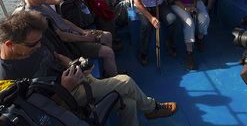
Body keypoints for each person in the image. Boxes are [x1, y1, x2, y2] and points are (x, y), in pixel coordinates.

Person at [0, 11, 177, 126]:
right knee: (126, 82)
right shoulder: (8, 78)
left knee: (128, 104)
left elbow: (57, 57)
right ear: (10, 44)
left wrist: (71, 65)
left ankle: (147, 109)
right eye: (34, 44)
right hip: (64, 97)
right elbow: (39, 111)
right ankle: (152, 108)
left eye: (40, 41)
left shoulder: (33, 45)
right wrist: (65, 87)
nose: (39, 46)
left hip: (73, 79)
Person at [19, 0, 117, 77]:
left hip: (76, 34)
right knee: (108, 52)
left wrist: (82, 31)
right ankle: (113, 81)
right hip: (71, 44)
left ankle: (108, 71)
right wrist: (84, 38)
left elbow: (63, 21)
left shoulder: (42, 2)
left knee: (108, 35)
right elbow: (62, 36)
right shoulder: (36, 17)